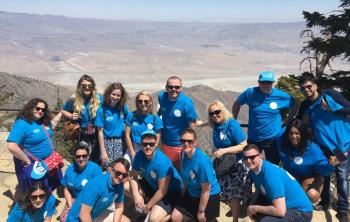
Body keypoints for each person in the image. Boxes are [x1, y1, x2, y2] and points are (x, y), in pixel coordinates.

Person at [297, 73, 350, 222]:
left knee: (341, 175)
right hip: (322, 147)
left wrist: (333, 109)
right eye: (303, 88)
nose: (306, 90)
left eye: (309, 86)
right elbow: (298, 124)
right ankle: (325, 202)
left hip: (340, 146)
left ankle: (343, 211)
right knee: (325, 174)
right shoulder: (305, 105)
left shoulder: (329, 95)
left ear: (315, 85)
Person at [232, 71, 297, 164]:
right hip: (254, 138)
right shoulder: (250, 93)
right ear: (258, 82)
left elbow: (294, 104)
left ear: (273, 83)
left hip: (272, 139)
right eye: (263, 82)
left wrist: (289, 120)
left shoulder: (280, 96)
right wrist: (234, 120)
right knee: (250, 164)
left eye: (269, 82)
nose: (266, 85)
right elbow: (237, 103)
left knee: (272, 165)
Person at [243, 144, 313, 222]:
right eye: (246, 158)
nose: (248, 161)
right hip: (284, 204)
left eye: (252, 157)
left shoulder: (270, 175)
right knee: (253, 205)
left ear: (260, 156)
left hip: (301, 212)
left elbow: (280, 211)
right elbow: (259, 190)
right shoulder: (255, 170)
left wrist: (254, 208)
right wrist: (251, 206)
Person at [207, 100, 251, 222]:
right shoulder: (216, 126)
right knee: (225, 192)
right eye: (211, 114)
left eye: (217, 112)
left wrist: (224, 151)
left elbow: (244, 145)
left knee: (234, 193)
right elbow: (208, 124)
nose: (215, 115)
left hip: (236, 164)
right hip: (224, 164)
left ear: (223, 110)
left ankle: (235, 219)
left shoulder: (232, 124)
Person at [7, 98, 63, 193]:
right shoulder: (22, 123)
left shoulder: (41, 122)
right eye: (37, 108)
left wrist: (62, 112)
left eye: (43, 110)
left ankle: (46, 200)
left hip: (49, 161)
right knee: (35, 191)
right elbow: (11, 145)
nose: (40, 111)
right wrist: (26, 160)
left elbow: (52, 125)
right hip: (34, 164)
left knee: (47, 186)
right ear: (30, 108)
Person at [128, 130, 182, 222]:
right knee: (125, 187)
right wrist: (136, 195)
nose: (148, 147)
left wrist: (148, 206)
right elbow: (133, 176)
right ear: (141, 144)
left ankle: (171, 211)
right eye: (145, 144)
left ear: (156, 144)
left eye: (151, 144)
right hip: (153, 185)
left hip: (170, 191)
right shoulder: (139, 155)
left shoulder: (162, 162)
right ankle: (146, 204)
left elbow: (162, 191)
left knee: (153, 219)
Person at [277, 119, 334, 203]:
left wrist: (330, 165)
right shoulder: (281, 140)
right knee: (283, 193)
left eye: (297, 133)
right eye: (291, 133)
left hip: (309, 175)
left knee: (311, 196)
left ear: (303, 134)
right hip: (291, 173)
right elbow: (283, 130)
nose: (293, 136)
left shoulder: (313, 150)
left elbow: (324, 172)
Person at [171, 129, 221, 222]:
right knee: (175, 217)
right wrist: (182, 194)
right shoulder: (183, 154)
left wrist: (201, 211)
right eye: (183, 141)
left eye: (190, 141)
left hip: (208, 196)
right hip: (192, 193)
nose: (186, 143)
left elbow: (206, 189)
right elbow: (186, 177)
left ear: (195, 142)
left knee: (202, 219)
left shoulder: (202, 161)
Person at [66, 158, 131, 222]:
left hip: (95, 215)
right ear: (111, 170)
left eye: (124, 175)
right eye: (118, 173)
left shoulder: (120, 184)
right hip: (78, 219)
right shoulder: (96, 185)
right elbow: (83, 215)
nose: (120, 177)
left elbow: (119, 207)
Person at [158, 76, 198, 168]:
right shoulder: (161, 97)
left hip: (180, 145)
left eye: (177, 87)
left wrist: (190, 143)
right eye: (171, 87)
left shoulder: (187, 103)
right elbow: (162, 110)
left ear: (181, 88)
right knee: (167, 170)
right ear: (166, 87)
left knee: (182, 171)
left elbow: (192, 125)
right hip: (165, 143)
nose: (174, 89)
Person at [61, 74, 103, 163]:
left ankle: (94, 175)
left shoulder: (99, 98)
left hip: (97, 132)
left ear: (93, 87)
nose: (87, 88)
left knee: (96, 158)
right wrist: (71, 116)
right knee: (83, 157)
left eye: (89, 86)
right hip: (82, 133)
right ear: (80, 87)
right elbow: (63, 110)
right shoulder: (74, 98)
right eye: (84, 86)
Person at [59, 141, 103, 222]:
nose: (81, 158)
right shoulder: (70, 170)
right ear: (75, 157)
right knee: (65, 219)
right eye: (78, 156)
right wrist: (70, 205)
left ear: (88, 156)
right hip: (75, 199)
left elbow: (100, 191)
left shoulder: (96, 170)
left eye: (84, 156)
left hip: (90, 201)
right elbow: (66, 189)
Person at [95, 82, 129, 168]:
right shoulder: (101, 110)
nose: (115, 97)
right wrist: (103, 151)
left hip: (121, 142)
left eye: (118, 95)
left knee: (120, 168)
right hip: (107, 143)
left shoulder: (123, 108)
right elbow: (100, 132)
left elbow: (128, 122)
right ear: (108, 94)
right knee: (108, 168)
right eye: (113, 94)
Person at [124, 91, 163, 162]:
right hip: (133, 148)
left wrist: (150, 152)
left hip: (149, 149)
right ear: (137, 103)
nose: (143, 103)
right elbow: (127, 135)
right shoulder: (131, 116)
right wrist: (133, 153)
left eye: (146, 101)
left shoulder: (155, 118)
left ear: (150, 102)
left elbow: (157, 140)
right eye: (140, 101)